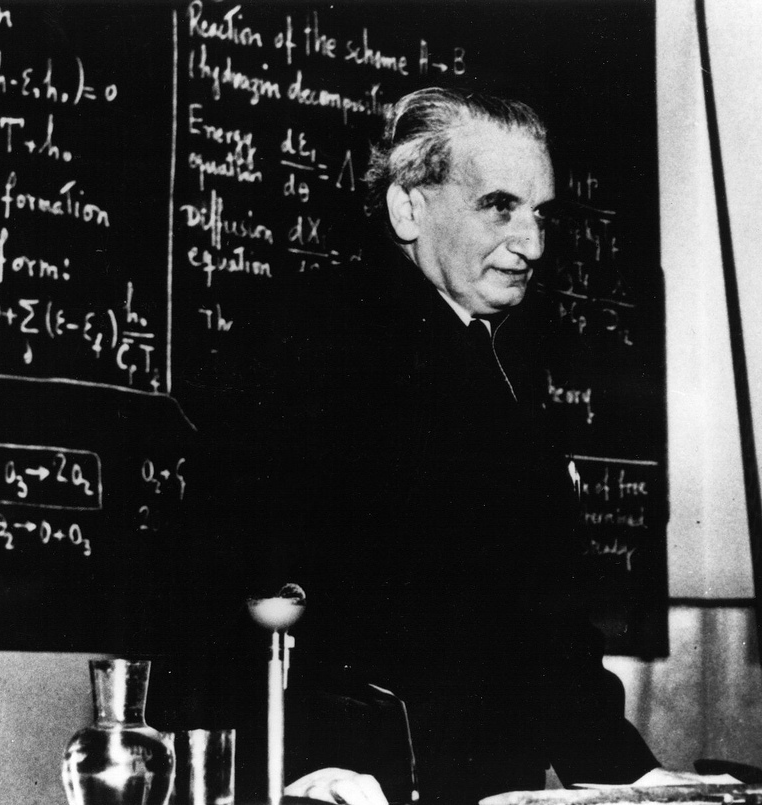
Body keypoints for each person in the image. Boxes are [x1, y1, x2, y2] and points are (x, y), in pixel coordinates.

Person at [269, 87, 666, 805]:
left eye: (540, 214)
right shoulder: (317, 343)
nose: (532, 243)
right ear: (408, 208)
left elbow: (537, 615)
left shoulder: (488, 355)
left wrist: (638, 780)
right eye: (499, 207)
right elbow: (237, 585)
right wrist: (310, 766)